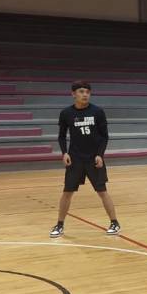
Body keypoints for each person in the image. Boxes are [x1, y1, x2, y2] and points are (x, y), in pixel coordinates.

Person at [49, 81, 119, 238]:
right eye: (81, 91)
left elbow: (104, 136)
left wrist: (100, 155)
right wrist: (64, 153)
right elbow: (61, 136)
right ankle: (59, 225)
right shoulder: (66, 113)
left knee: (102, 191)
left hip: (94, 159)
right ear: (73, 94)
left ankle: (114, 222)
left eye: (87, 91)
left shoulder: (97, 112)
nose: (85, 94)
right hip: (75, 159)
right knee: (67, 192)